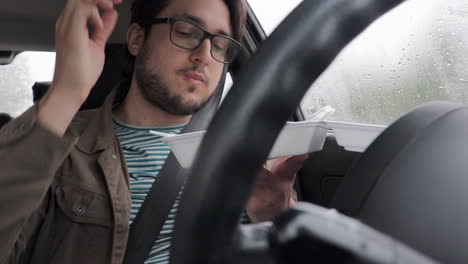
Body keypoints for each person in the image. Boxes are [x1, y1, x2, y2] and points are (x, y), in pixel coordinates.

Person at [0, 0, 308, 263]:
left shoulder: (253, 157)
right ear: (136, 39)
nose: (203, 54)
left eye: (220, 45)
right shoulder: (57, 145)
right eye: (186, 32)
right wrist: (67, 92)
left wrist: (277, 219)